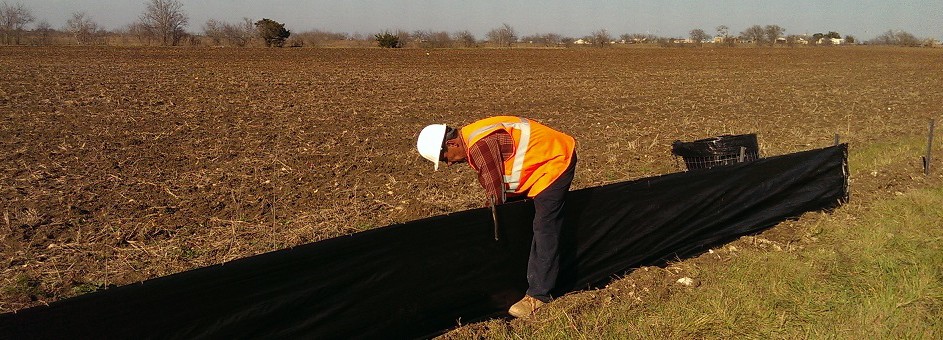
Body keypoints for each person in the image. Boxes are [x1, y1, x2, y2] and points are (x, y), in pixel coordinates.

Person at [416, 116, 577, 318]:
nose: (448, 164)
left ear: (451, 143)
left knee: (545, 227)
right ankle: (522, 271)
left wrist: (484, 232)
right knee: (520, 216)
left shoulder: (479, 146)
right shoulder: (471, 138)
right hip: (535, 168)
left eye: (445, 158)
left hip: (555, 160)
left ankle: (539, 294)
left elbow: (495, 194)